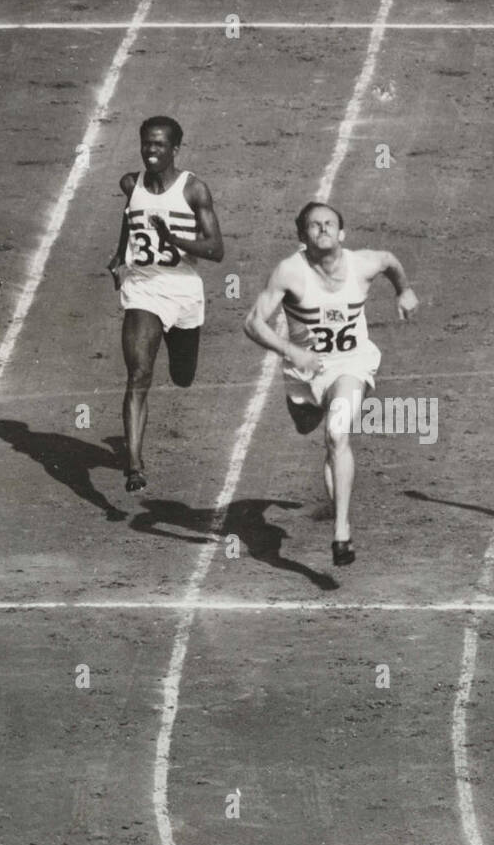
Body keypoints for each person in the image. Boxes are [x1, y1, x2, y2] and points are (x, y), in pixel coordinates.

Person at [243, 201, 418, 565]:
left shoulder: (363, 264)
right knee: (307, 424)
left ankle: (341, 531)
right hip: (304, 372)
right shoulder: (289, 272)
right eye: (313, 225)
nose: (322, 229)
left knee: (337, 434)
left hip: (351, 363)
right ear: (301, 236)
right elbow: (253, 323)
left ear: (342, 233)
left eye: (329, 224)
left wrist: (403, 291)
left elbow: (389, 261)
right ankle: (322, 436)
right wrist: (292, 351)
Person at [107, 115, 223, 492]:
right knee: (139, 374)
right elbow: (130, 217)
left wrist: (174, 240)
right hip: (144, 289)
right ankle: (134, 465)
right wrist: (118, 255)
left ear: (175, 149)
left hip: (184, 291)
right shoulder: (131, 183)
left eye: (159, 145)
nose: (151, 151)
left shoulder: (194, 190)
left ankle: (177, 345)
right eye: (146, 144)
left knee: (182, 376)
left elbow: (216, 249)